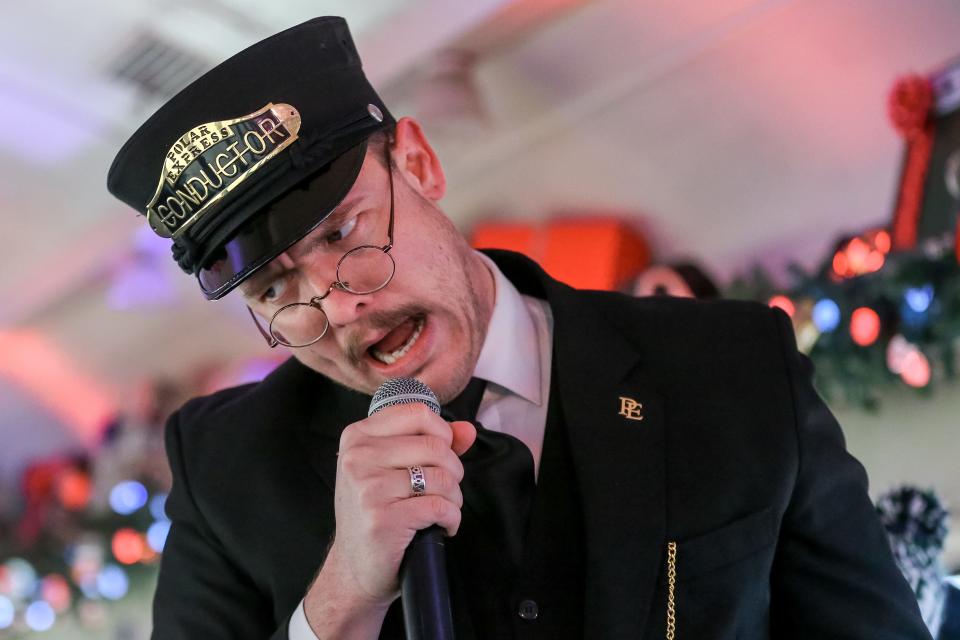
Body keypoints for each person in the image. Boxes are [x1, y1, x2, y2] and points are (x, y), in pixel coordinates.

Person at [107, 16, 931, 640]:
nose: (337, 307)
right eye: (276, 285)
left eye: (342, 233)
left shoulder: (727, 366)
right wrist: (342, 599)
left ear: (420, 164)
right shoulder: (223, 471)